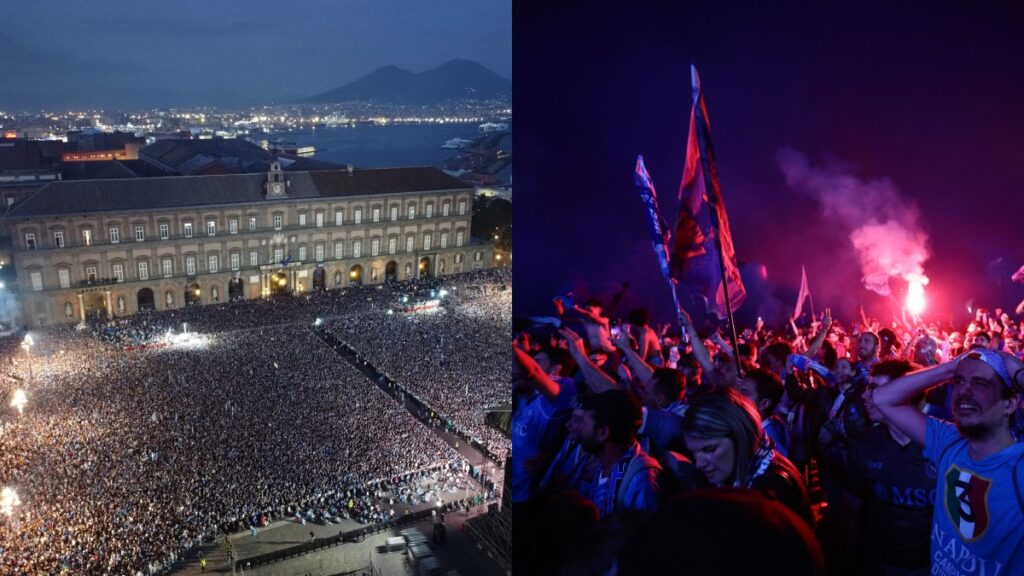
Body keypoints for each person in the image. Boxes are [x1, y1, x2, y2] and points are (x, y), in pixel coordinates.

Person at [874, 347, 1024, 574]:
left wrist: (1019, 373)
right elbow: (883, 398)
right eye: (959, 381)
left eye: (980, 383)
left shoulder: (1018, 469)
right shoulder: (948, 442)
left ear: (1010, 404)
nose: (964, 390)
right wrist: (950, 368)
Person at [843, 359, 932, 576]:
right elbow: (851, 510)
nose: (865, 396)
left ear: (905, 393)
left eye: (875, 389)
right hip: (881, 563)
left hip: (934, 563)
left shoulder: (942, 443)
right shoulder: (864, 445)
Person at [680, 387, 812, 524]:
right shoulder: (741, 475)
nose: (699, 463)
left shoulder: (772, 488)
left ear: (740, 436)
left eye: (709, 449)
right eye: (694, 452)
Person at [575, 389, 660, 517]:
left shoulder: (641, 481)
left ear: (603, 433)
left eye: (583, 422)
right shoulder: (601, 463)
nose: (578, 428)